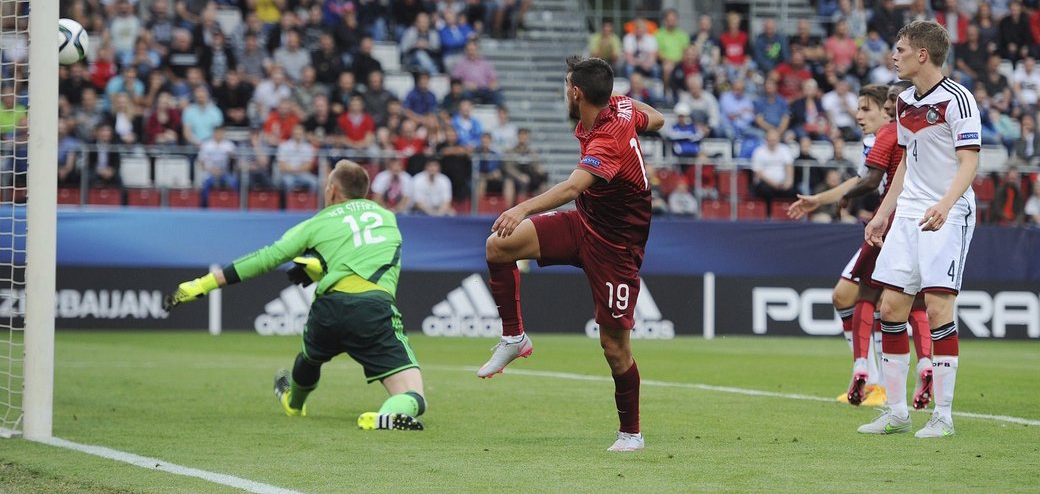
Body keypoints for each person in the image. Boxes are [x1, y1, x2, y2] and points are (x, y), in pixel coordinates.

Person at [476, 57, 665, 453]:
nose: (565, 93)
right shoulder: (619, 109)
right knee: (499, 246)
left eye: (566, 87)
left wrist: (521, 207)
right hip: (584, 225)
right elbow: (659, 119)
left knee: (615, 349)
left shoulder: (609, 136)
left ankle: (631, 433)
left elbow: (572, 186)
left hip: (616, 249)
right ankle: (514, 337)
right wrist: (630, 108)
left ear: (577, 93)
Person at [163, 160, 426, 430]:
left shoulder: (316, 223)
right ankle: (386, 415)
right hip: (373, 309)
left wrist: (203, 284)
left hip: (329, 310)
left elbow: (265, 258)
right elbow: (368, 258)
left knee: (310, 357)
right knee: (413, 394)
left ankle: (294, 402)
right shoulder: (387, 217)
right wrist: (324, 267)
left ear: (332, 190)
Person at [861, 21, 980, 438]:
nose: (894, 56)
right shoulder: (905, 100)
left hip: (948, 212)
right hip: (909, 212)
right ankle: (896, 412)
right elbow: (908, 162)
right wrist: (882, 213)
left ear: (922, 55)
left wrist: (946, 205)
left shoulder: (959, 100)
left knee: (936, 311)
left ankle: (942, 416)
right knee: (890, 310)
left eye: (900, 49)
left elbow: (969, 161)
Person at [789, 83, 933, 408]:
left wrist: (838, 199)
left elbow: (866, 180)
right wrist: (820, 200)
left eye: (867, 108)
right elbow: (863, 179)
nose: (859, 115)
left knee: (864, 298)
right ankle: (915, 367)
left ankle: (874, 379)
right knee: (908, 303)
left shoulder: (886, 136)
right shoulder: (917, 133)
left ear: (889, 108)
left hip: (891, 221)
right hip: (919, 220)